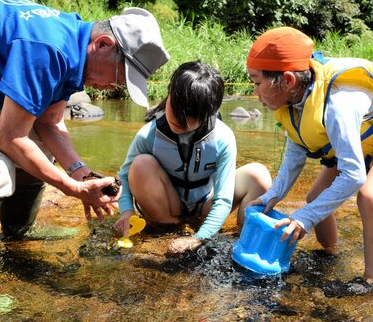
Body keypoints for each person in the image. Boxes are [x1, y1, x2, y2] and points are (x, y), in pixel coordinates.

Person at [0, 0, 170, 279]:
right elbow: (7, 138)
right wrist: (69, 188)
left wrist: (82, 175)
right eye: (120, 76)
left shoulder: (74, 46)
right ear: (104, 44)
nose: (112, 87)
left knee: (36, 148)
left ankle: (17, 234)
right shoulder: (48, 48)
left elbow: (49, 122)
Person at [246, 27, 373, 295]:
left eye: (257, 82)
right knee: (314, 197)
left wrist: (303, 220)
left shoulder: (338, 103)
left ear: (286, 80)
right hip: (348, 147)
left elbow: (354, 176)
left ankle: (372, 282)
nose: (255, 92)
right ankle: (330, 254)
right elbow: (295, 154)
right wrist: (272, 195)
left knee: (370, 195)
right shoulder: (294, 99)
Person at [114, 61, 272, 253]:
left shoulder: (222, 138)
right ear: (170, 92)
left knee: (259, 175)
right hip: (168, 203)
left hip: (204, 203)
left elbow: (223, 199)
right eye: (175, 108)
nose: (177, 120)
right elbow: (123, 176)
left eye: (187, 117)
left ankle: (241, 239)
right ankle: (168, 228)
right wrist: (126, 211)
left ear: (208, 114)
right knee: (140, 164)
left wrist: (200, 237)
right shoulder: (149, 135)